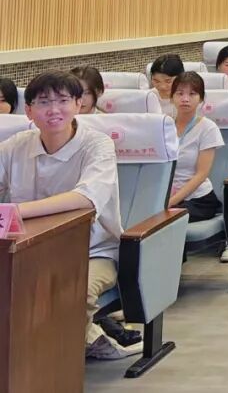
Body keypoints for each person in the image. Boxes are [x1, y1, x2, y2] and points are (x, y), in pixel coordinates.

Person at [0, 72, 131, 359]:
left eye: (62, 100)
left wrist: (16, 210)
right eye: (43, 102)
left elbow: (86, 198)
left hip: (92, 251)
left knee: (72, 294)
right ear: (29, 111)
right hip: (27, 250)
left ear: (78, 104)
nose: (54, 110)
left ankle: (57, 361)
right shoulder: (16, 146)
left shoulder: (97, 145)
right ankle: (86, 338)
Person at [167, 73, 228, 262]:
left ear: (201, 99)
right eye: (180, 93)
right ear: (172, 97)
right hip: (167, 196)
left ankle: (170, 271)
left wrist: (171, 201)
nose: (185, 99)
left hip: (198, 199)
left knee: (164, 220)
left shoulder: (208, 128)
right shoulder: (164, 126)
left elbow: (201, 174)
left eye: (192, 94)